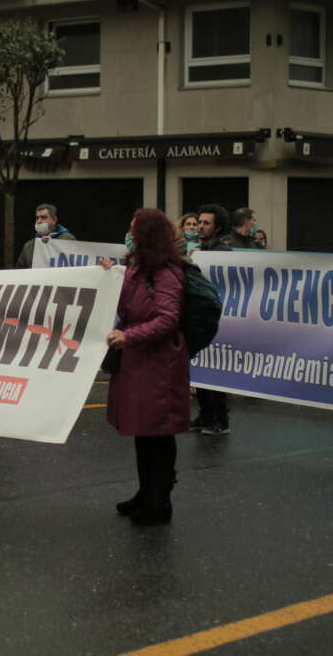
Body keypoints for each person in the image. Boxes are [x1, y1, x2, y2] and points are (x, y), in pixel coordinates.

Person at [99, 208, 189, 526]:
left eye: (133, 230)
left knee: (158, 434)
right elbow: (127, 302)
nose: (129, 235)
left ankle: (159, 502)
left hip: (158, 364)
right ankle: (146, 493)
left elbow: (167, 319)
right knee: (143, 431)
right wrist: (111, 274)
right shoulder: (138, 269)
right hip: (140, 362)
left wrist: (129, 335)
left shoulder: (165, 272)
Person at [190, 204, 232, 435]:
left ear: (217, 227)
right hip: (201, 317)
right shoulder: (199, 250)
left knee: (216, 369)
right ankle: (206, 414)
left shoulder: (223, 253)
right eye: (199, 222)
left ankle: (220, 419)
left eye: (206, 223)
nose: (201, 227)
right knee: (203, 368)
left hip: (217, 317)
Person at [15, 203, 76, 268]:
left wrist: (53, 244)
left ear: (54, 220)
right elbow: (20, 270)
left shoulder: (68, 239)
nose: (39, 221)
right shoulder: (29, 245)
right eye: (37, 218)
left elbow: (74, 264)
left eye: (43, 217)